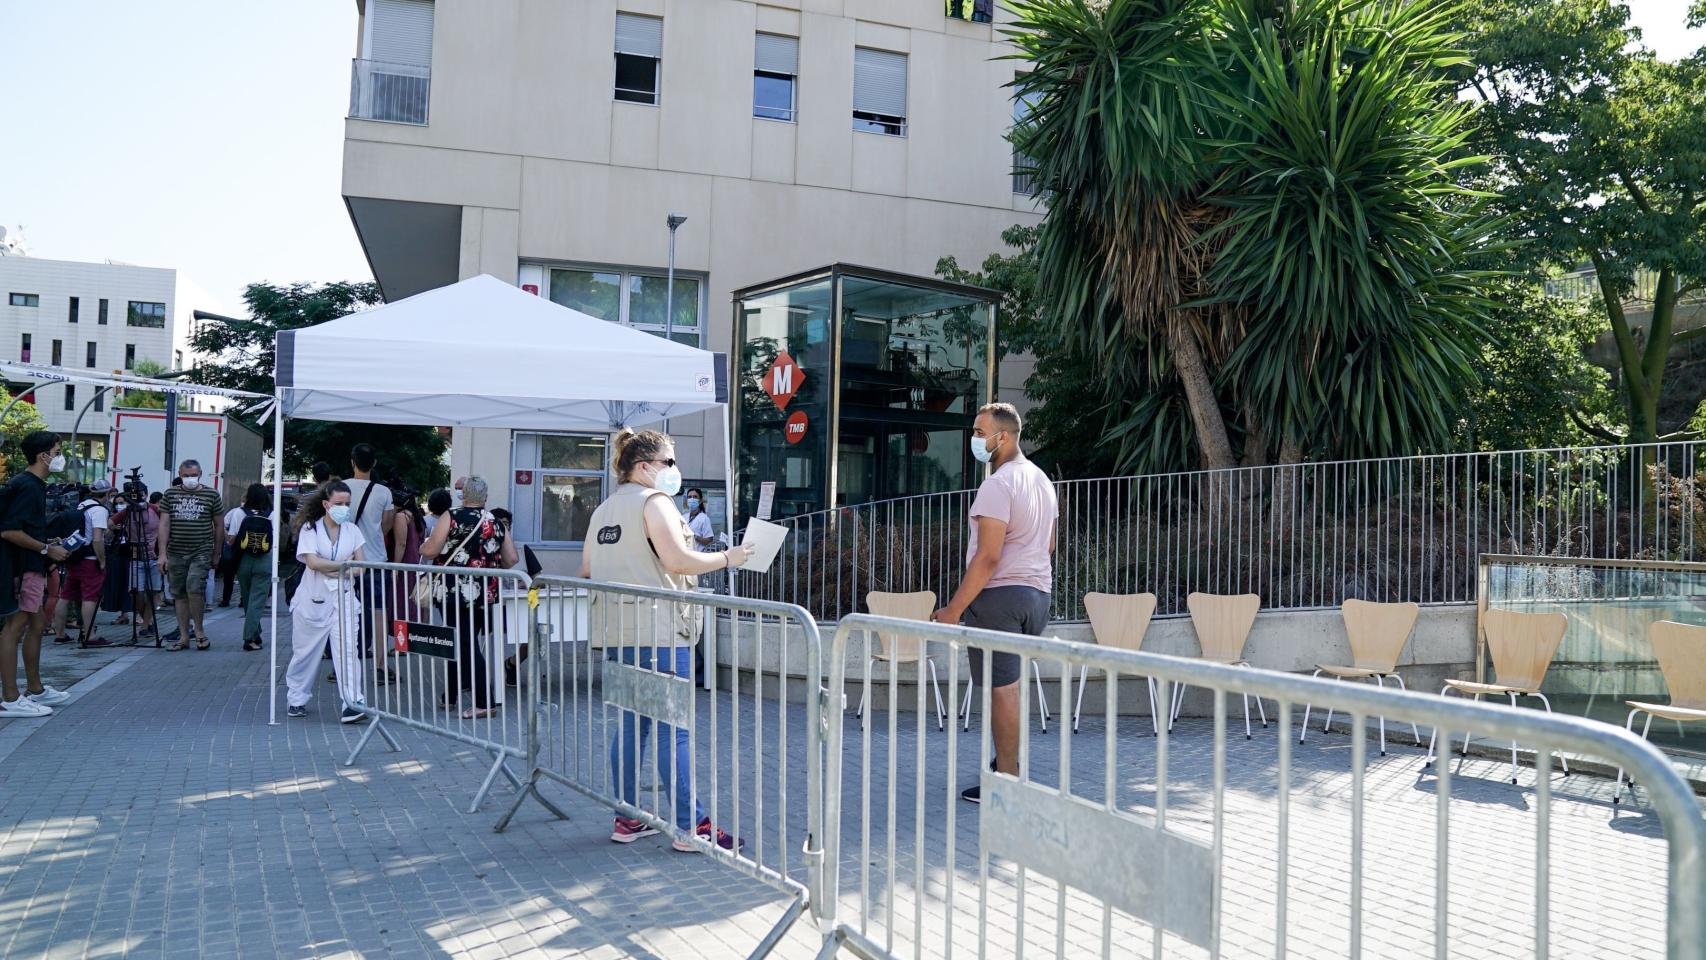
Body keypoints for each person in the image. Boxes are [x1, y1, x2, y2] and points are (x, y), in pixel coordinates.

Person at [581, 429, 749, 851]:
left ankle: (627, 817)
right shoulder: (655, 503)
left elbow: (587, 568)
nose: (675, 470)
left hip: (619, 633)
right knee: (673, 731)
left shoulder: (604, 508)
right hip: (660, 632)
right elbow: (676, 559)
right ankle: (691, 827)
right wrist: (729, 557)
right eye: (668, 462)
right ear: (644, 467)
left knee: (631, 726)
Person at [931, 403, 1058, 805]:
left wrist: (953, 610)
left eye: (978, 431)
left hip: (1001, 599)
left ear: (1002, 437)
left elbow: (988, 557)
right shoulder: (1041, 481)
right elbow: (1049, 544)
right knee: (1011, 686)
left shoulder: (998, 485)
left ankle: (1005, 781)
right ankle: (1007, 766)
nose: (974, 439)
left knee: (1002, 691)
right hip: (1038, 596)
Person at [421, 476, 516, 719]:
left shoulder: (450, 516)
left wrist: (423, 547)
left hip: (453, 593)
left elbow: (431, 550)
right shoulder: (494, 521)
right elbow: (512, 559)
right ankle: (451, 695)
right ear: (485, 497)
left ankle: (484, 701)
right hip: (485, 591)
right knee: (464, 641)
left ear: (464, 496)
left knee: (464, 644)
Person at [0, 431, 73, 717]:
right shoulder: (29, 487)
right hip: (23, 567)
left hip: (29, 564)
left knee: (37, 624)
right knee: (14, 629)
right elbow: (9, 531)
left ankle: (35, 689)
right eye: (57, 451)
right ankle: (10, 697)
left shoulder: (29, 484)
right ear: (43, 455)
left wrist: (48, 545)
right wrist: (46, 549)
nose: (60, 456)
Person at [285, 482, 367, 722]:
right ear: (326, 504)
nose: (344, 508)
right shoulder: (311, 530)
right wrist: (345, 566)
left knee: (349, 652)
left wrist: (333, 568)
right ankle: (296, 698)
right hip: (312, 600)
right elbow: (313, 563)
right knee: (305, 653)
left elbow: (361, 566)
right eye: (339, 504)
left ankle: (353, 702)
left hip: (344, 599)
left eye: (347, 504)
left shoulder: (353, 531)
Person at [158, 459, 224, 650]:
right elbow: (164, 524)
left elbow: (219, 525)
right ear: (179, 474)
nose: (189, 479)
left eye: (193, 475)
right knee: (179, 593)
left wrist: (216, 552)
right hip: (176, 551)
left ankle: (199, 632)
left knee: (194, 589)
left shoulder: (211, 494)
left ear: (200, 473)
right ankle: (184, 636)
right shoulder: (170, 494)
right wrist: (162, 554)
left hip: (201, 550)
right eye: (185, 476)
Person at [342, 444, 394, 667]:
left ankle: (344, 662)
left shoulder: (340, 488)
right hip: (375, 560)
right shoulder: (383, 492)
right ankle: (381, 666)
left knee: (345, 612)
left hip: (347, 561)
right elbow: (386, 525)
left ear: (352, 461)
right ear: (374, 463)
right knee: (379, 612)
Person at [53, 480, 115, 648]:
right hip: (89, 560)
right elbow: (97, 539)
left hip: (74, 557)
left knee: (65, 597)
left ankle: (59, 635)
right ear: (107, 494)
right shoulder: (99, 510)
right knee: (90, 597)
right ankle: (90, 635)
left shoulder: (81, 506)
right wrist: (102, 561)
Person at [227, 483, 275, 652]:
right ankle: (250, 637)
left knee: (248, 599)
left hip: (243, 560)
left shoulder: (239, 513)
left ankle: (254, 633)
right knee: (258, 600)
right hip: (264, 559)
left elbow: (232, 539)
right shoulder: (272, 514)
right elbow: (275, 541)